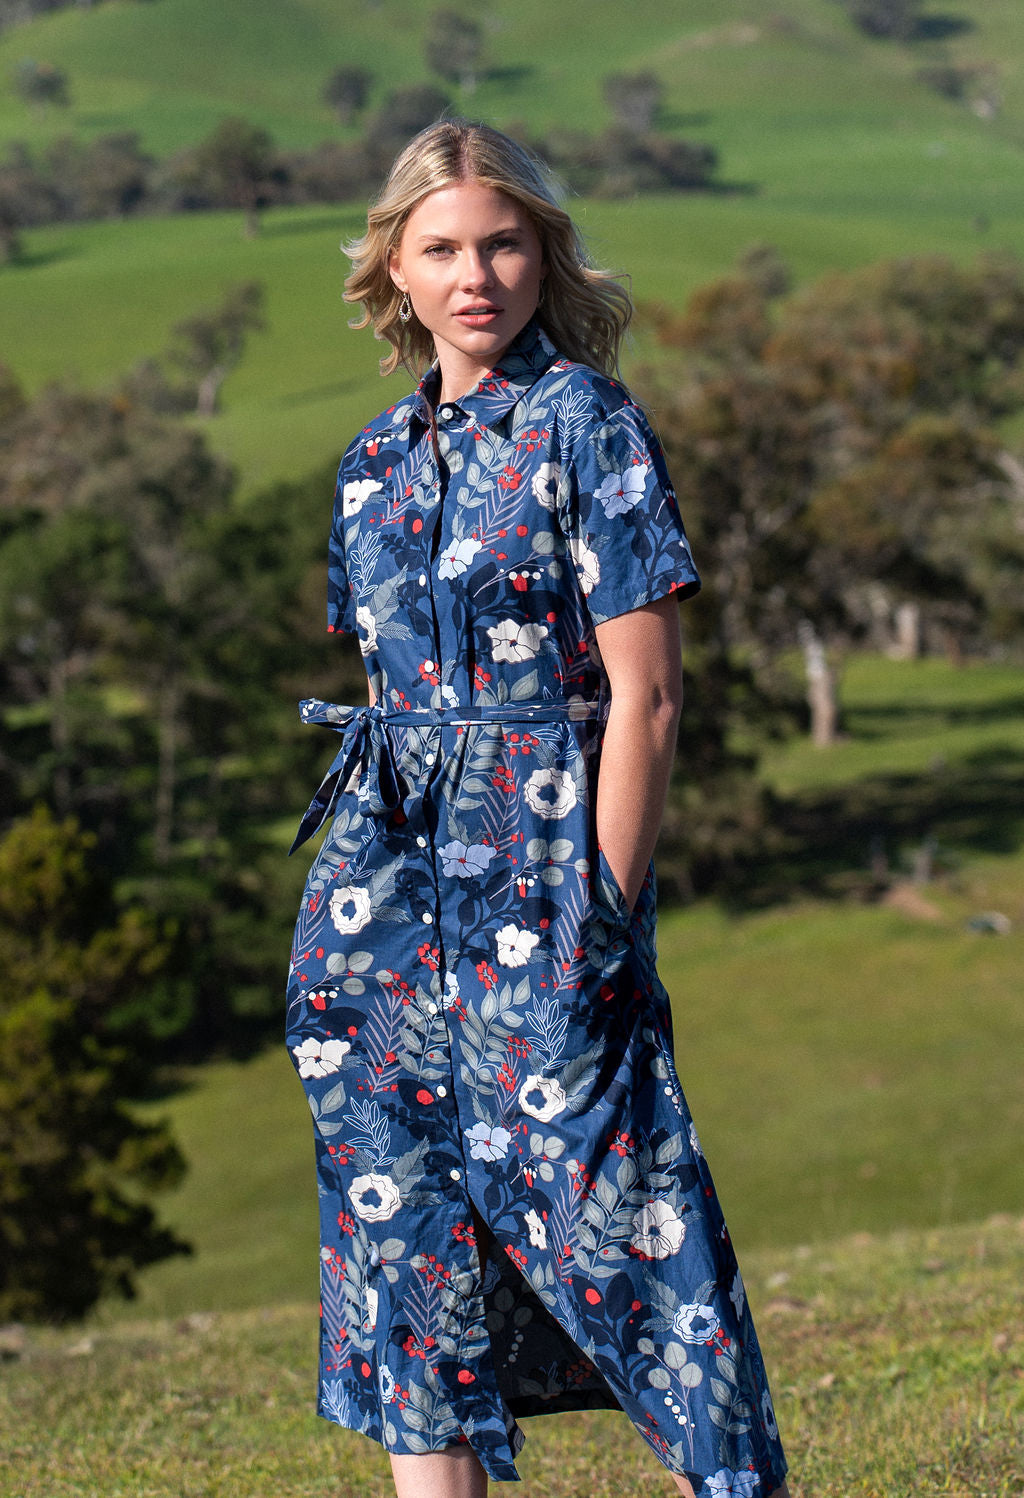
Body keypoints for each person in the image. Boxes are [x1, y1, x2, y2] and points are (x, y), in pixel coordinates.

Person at [286, 119, 790, 1498]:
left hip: (543, 882)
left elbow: (649, 699)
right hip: (375, 916)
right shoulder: (371, 466)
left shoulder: (588, 425)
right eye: (441, 248)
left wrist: (606, 916)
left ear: (543, 253)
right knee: (403, 1245)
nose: (476, 275)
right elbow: (396, 693)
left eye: (503, 243)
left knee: (623, 1205)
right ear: (393, 265)